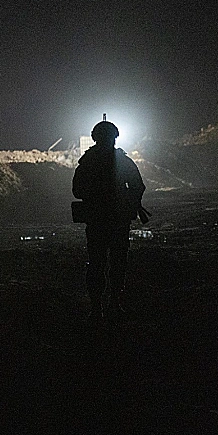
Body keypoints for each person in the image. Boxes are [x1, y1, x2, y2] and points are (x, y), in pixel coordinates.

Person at [72, 120, 146, 322]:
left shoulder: (88, 162)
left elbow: (77, 190)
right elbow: (138, 187)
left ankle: (98, 307)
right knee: (116, 262)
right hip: (116, 220)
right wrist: (126, 200)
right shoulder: (122, 161)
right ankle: (112, 304)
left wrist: (97, 195)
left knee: (98, 263)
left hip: (99, 220)